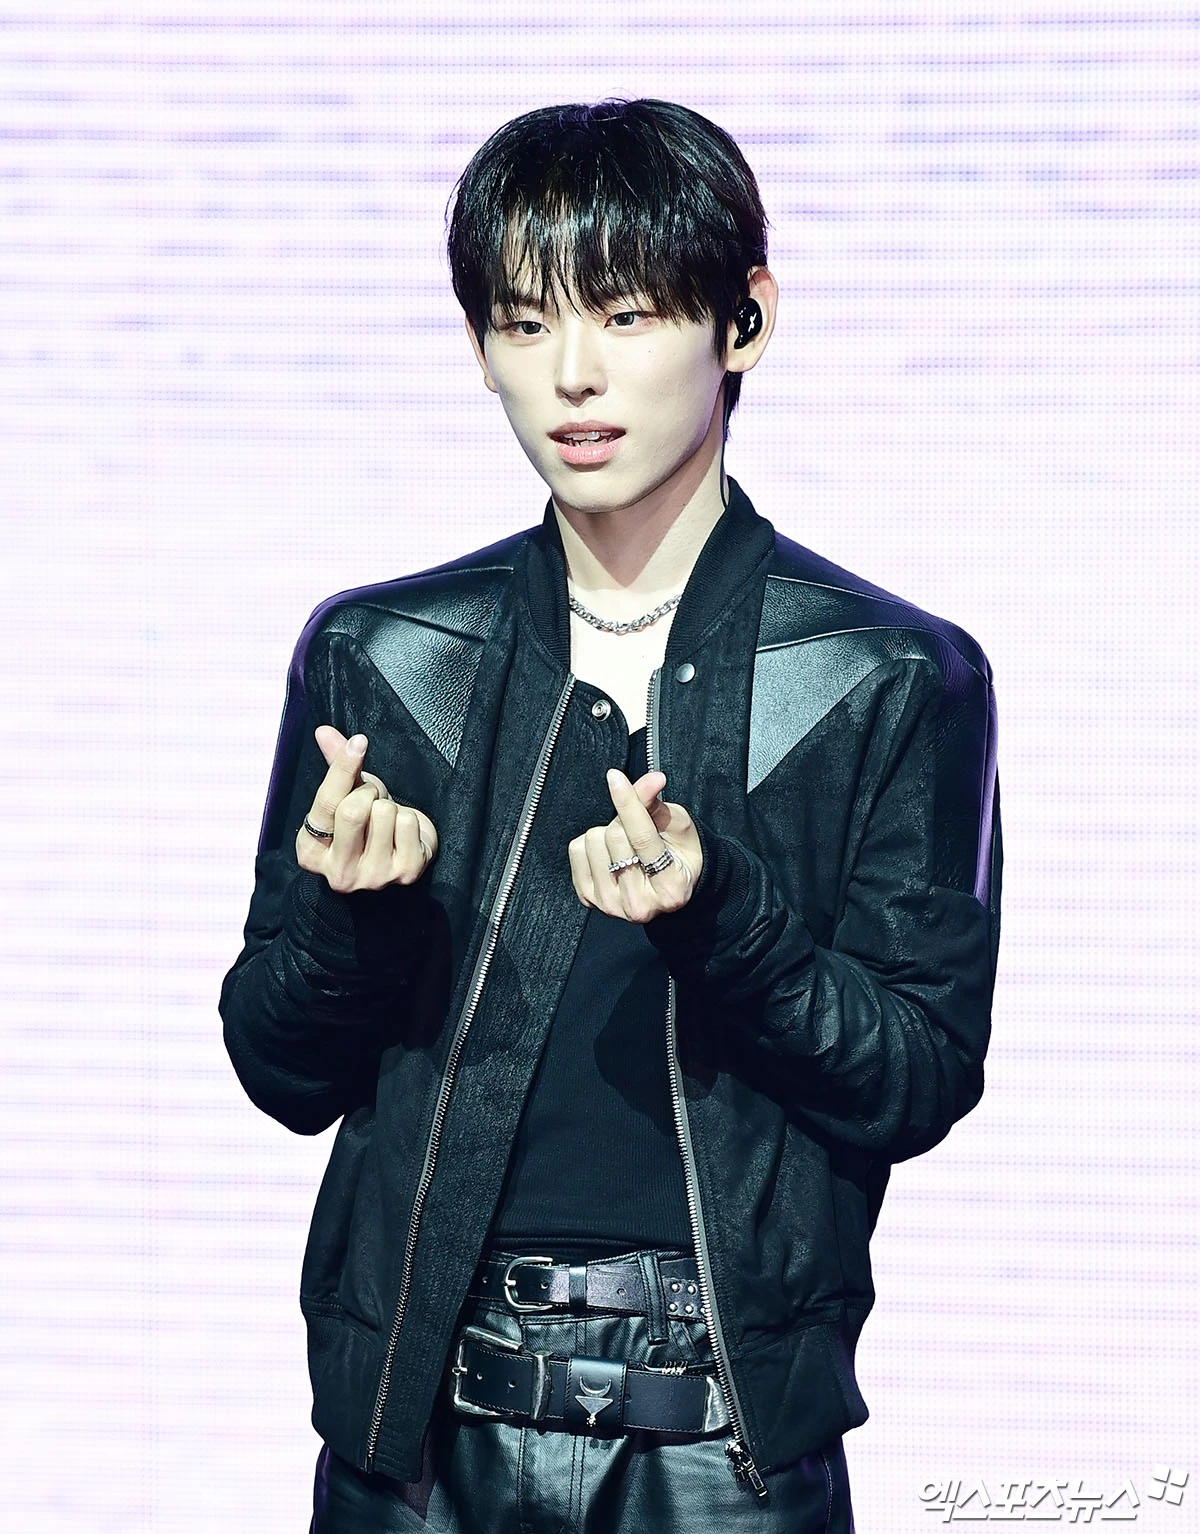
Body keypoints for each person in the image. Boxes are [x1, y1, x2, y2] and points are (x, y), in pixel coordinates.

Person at [221, 98, 1001, 1533]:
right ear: (480, 349)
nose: (573, 375)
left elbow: (916, 1078)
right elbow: (279, 1069)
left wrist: (724, 916)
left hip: (722, 1448)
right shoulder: (387, 656)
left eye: (628, 316)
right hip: (421, 1439)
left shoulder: (885, 674)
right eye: (524, 325)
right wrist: (349, 920)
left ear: (744, 321)